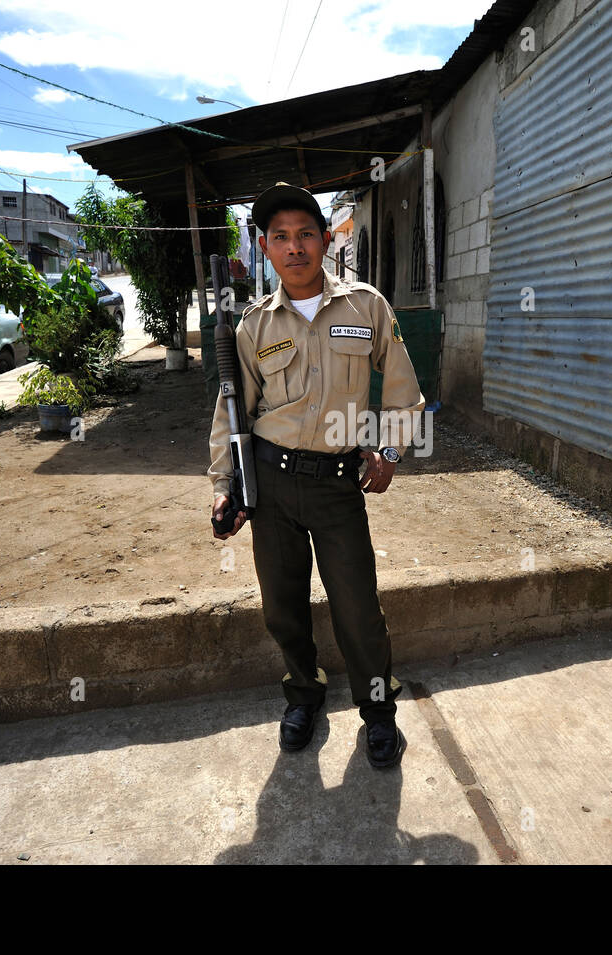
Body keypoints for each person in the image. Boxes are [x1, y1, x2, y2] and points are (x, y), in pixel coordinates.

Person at [208, 181, 426, 769]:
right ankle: (303, 696)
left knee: (358, 605)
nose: (295, 246)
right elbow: (232, 413)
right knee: (283, 606)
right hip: (272, 485)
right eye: (280, 237)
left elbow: (407, 398)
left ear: (326, 240)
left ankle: (379, 713)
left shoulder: (367, 307)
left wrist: (390, 454)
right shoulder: (254, 325)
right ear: (264, 247)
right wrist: (225, 488)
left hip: (337, 483)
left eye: (306, 234)